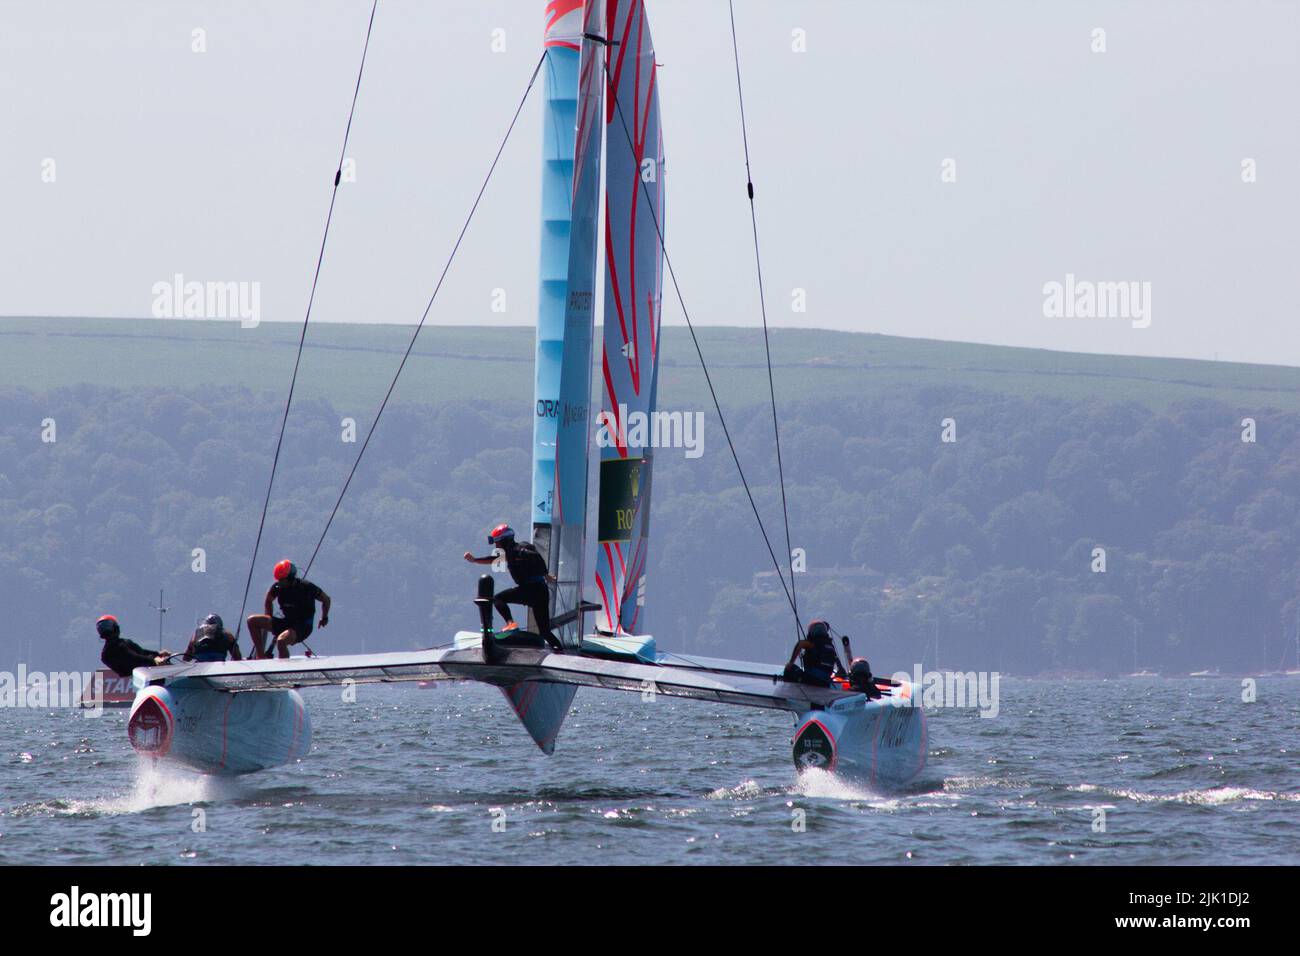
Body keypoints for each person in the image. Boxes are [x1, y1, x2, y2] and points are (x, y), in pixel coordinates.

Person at [463, 524, 561, 652]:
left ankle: (510, 623)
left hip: (532, 590)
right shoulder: (509, 553)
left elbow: (536, 557)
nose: (496, 546)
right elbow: (492, 559)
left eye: (497, 542)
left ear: (504, 540)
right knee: (544, 632)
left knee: (498, 599)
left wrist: (546, 574)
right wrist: (474, 560)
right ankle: (560, 651)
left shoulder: (519, 550)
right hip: (540, 591)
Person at [246, 560, 330, 659]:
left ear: (290, 578)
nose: (279, 582)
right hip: (287, 622)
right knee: (252, 620)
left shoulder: (306, 587)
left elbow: (326, 599)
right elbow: (268, 600)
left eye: (282, 580)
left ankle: (283, 669)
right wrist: (269, 617)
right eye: (278, 580)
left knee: (281, 641)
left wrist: (324, 617)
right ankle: (260, 656)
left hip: (302, 626)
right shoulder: (277, 587)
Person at [97, 615, 171, 678]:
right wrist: (154, 660)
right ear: (116, 628)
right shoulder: (111, 650)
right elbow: (132, 657)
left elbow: (141, 652)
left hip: (146, 676)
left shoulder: (124, 643)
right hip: (140, 680)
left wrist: (158, 654)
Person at [783, 619, 846, 687]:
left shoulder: (812, 644)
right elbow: (839, 667)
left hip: (811, 679)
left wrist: (791, 662)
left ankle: (788, 692)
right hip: (825, 683)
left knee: (790, 669)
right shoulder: (830, 647)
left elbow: (800, 644)